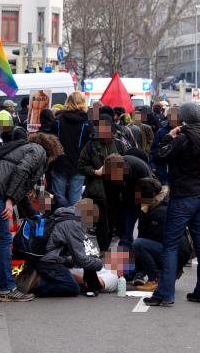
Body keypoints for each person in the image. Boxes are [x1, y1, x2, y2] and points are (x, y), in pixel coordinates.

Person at [0, 132, 63, 302]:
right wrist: (10, 200)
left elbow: (22, 193)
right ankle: (7, 289)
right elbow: (22, 171)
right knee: (4, 238)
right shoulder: (38, 151)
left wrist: (35, 217)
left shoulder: (22, 149)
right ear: (52, 150)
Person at [145, 102, 200, 307]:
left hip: (184, 196)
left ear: (183, 118)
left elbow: (158, 155)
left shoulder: (182, 139)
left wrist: (169, 136)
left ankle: (165, 293)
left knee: (171, 245)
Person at [19, 198, 106, 297]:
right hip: (47, 261)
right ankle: (37, 284)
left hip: (40, 255)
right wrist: (99, 264)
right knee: (72, 287)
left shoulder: (63, 215)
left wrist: (69, 261)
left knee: (73, 265)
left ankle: (38, 276)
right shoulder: (74, 224)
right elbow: (81, 260)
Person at [132, 177, 193, 291]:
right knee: (138, 246)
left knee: (138, 245)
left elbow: (149, 240)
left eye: (138, 195)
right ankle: (160, 275)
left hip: (176, 254)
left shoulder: (159, 212)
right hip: (176, 253)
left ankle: (155, 278)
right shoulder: (157, 206)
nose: (137, 198)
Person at [79, 113, 125, 250]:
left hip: (115, 191)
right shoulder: (90, 145)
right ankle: (104, 249)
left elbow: (127, 162)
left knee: (111, 222)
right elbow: (81, 166)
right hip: (97, 190)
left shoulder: (119, 144)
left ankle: (106, 246)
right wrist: (95, 172)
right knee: (101, 223)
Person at [51, 92, 92, 208]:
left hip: (59, 163)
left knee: (58, 198)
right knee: (75, 200)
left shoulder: (58, 121)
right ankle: (73, 223)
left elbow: (51, 142)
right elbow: (90, 145)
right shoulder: (87, 123)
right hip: (79, 164)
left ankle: (59, 223)